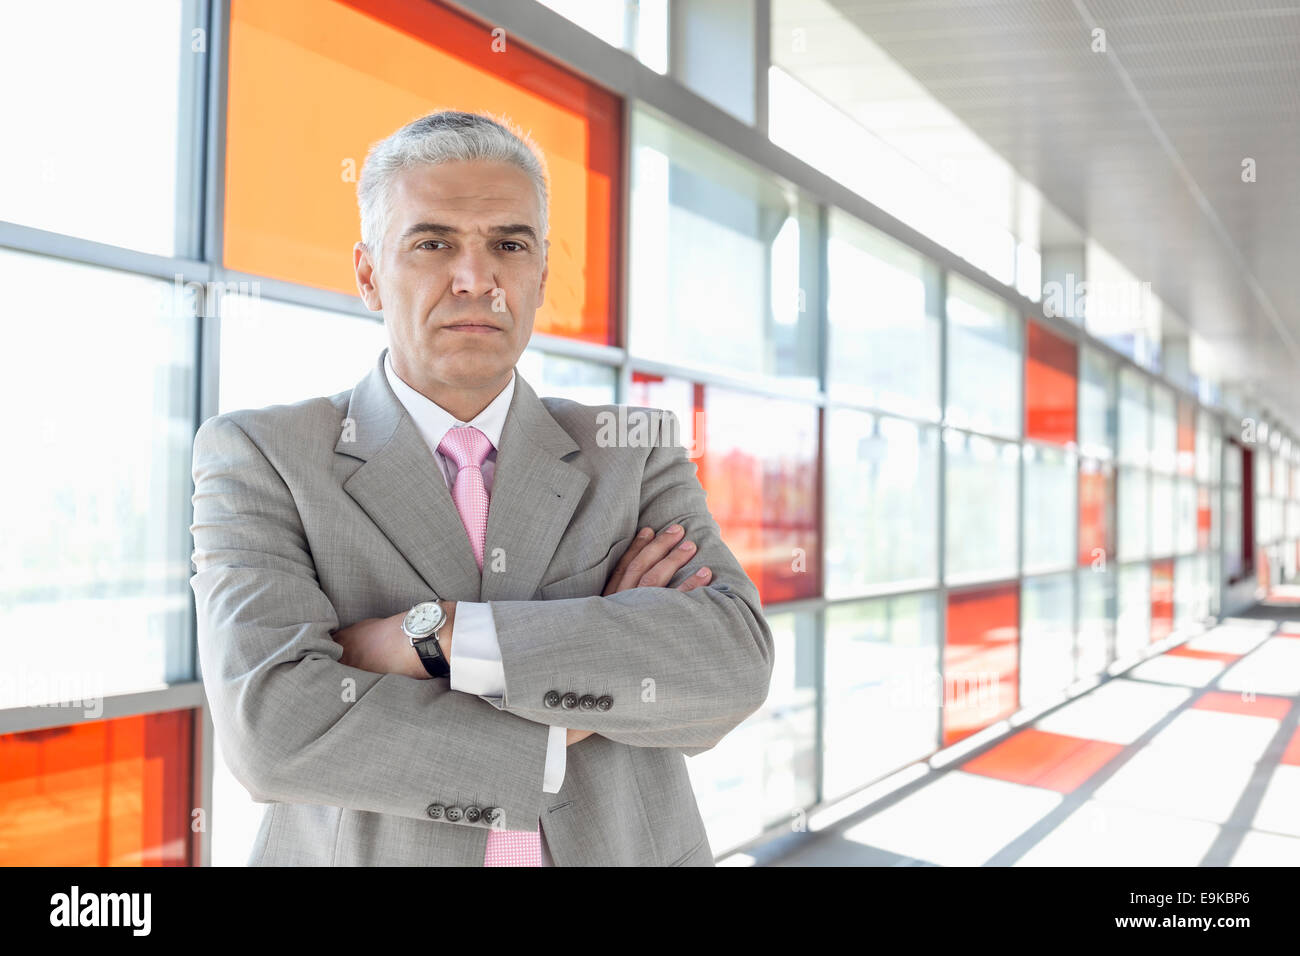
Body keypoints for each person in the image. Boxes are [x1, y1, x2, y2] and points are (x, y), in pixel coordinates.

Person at [189, 109, 774, 866]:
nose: (477, 280)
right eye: (433, 243)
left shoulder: (634, 452)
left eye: (509, 244)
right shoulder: (263, 456)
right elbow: (274, 733)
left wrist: (429, 638)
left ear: (540, 277)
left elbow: (727, 666)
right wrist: (578, 700)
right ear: (368, 274)